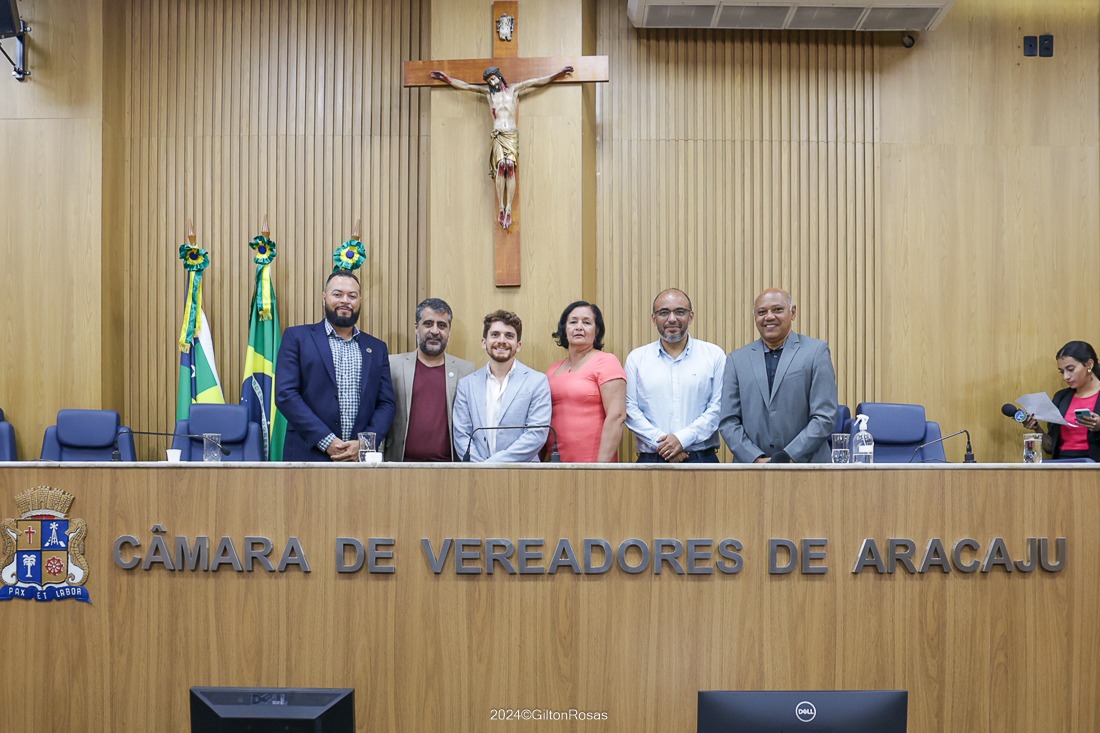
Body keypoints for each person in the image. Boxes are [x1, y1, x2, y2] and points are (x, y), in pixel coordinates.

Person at [429, 65, 573, 230]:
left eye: (493, 78)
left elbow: (537, 81)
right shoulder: (488, 93)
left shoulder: (514, 90)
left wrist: (558, 74)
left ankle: (509, 207)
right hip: (498, 133)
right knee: (501, 167)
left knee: (510, 167)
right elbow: (467, 86)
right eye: (489, 81)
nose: (491, 82)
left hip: (511, 134)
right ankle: (501, 207)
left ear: (499, 76)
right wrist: (447, 79)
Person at [275, 271, 395, 462]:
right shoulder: (297, 338)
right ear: (324, 297)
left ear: (360, 300)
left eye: (352, 296)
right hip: (308, 455)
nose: (345, 301)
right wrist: (327, 441)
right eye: (337, 294)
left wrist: (363, 444)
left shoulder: (377, 348)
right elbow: (286, 394)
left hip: (359, 459)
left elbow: (386, 403)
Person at [719, 288, 838, 463]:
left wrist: (788, 457)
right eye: (762, 312)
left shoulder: (816, 352)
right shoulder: (736, 360)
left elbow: (825, 416)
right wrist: (755, 459)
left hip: (807, 466)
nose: (769, 317)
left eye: (777, 310)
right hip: (751, 469)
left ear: (793, 312)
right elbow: (728, 420)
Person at [624, 289, 726, 463]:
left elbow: (718, 407)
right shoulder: (637, 358)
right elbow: (630, 409)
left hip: (701, 459)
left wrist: (682, 439)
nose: (672, 319)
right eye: (664, 312)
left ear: (691, 317)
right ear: (654, 318)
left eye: (679, 312)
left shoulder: (714, 355)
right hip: (651, 460)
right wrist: (664, 444)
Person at [452, 310, 551, 462]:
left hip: (524, 473)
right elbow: (461, 435)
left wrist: (492, 466)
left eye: (509, 336)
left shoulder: (537, 382)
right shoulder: (466, 385)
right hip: (476, 471)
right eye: (495, 334)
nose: (502, 340)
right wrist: (480, 468)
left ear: (518, 345)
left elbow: (536, 435)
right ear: (484, 342)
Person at [385, 298, 475, 462]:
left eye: (441, 325)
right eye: (428, 324)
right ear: (416, 327)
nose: (435, 331)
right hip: (400, 466)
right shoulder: (393, 365)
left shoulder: (466, 371)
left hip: (450, 468)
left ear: (449, 330)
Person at [546, 301, 626, 462]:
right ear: (564, 329)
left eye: (587, 322)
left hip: (594, 464)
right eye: (573, 322)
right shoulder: (552, 369)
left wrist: (600, 468)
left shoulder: (606, 361)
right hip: (555, 465)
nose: (579, 327)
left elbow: (617, 416)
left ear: (597, 331)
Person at [1023, 340, 1100, 460]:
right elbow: (1050, 447)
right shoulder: (1061, 397)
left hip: (1094, 464)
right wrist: (1036, 427)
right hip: (1061, 463)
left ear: (1089, 364)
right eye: (1062, 372)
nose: (1066, 377)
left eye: (1071, 369)